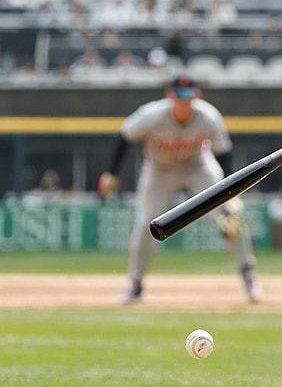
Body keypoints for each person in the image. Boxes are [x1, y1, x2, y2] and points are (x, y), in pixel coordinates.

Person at [99, 75, 259, 304]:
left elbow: (224, 154)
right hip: (159, 169)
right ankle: (135, 285)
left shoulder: (208, 116)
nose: (183, 102)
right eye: (179, 97)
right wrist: (111, 173)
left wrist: (231, 194)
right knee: (145, 223)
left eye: (188, 97)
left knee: (232, 216)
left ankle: (249, 277)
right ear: (170, 96)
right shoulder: (152, 114)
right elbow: (124, 138)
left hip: (198, 166)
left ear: (196, 96)